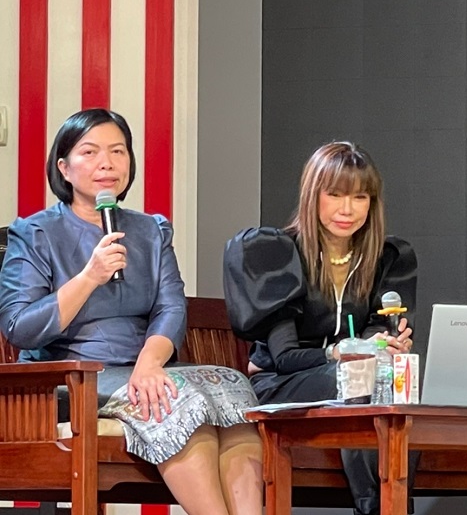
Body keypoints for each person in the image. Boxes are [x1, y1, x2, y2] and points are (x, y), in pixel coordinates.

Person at [0, 109, 263, 515]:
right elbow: (20, 328)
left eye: (118, 151)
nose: (107, 163)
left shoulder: (150, 231)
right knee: (179, 400)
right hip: (70, 375)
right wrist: (89, 276)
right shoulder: (35, 233)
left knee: (232, 387)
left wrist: (149, 363)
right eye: (90, 152)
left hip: (142, 367)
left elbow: (170, 306)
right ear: (64, 168)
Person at [223, 141, 416, 515]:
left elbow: (377, 338)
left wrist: (385, 347)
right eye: (335, 195)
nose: (347, 209)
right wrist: (339, 353)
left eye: (359, 197)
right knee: (361, 379)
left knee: (395, 382)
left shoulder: (387, 259)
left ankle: (394, 504)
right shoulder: (277, 253)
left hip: (355, 389)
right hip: (280, 385)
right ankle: (379, 508)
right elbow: (284, 357)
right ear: (313, 196)